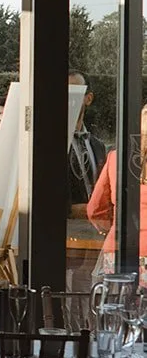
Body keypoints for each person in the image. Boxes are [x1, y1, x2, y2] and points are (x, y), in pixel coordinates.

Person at [87, 102, 147, 277]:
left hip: (118, 249)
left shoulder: (116, 158)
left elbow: (95, 209)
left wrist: (112, 227)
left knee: (118, 300)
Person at [68, 71, 108, 289]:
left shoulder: (97, 145)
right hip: (65, 243)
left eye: (75, 92)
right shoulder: (51, 143)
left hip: (94, 240)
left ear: (88, 98)